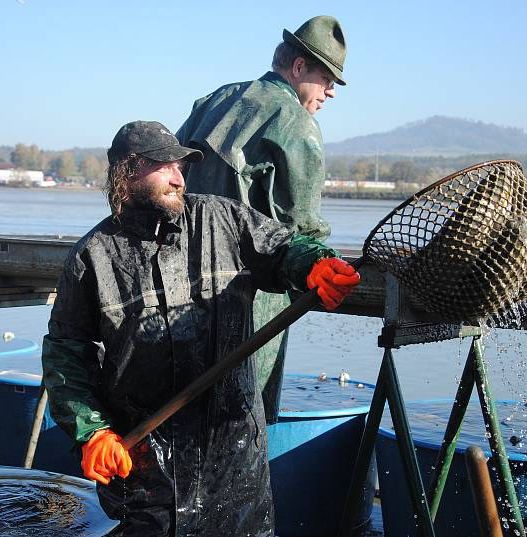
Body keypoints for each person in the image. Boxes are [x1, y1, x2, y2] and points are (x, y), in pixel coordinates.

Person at [42, 120, 360, 536]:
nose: (178, 177)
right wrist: (92, 431)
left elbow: (283, 249)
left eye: (180, 166)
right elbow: (67, 353)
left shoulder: (221, 218)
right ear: (128, 172)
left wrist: (315, 264)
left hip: (232, 450)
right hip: (145, 463)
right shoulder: (93, 257)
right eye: (165, 167)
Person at [176, 15, 348, 422]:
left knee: (181, 419)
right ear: (299, 67)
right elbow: (303, 228)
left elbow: (172, 175)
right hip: (253, 301)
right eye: (326, 79)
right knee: (243, 424)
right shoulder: (297, 123)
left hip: (181, 285)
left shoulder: (214, 100)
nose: (330, 93)